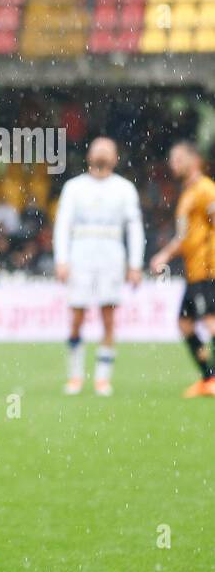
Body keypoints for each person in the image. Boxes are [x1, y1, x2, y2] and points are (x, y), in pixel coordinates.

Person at [52, 137, 144, 397]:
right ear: (89, 155)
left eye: (108, 149)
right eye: (97, 149)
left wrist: (135, 264)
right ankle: (75, 375)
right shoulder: (74, 187)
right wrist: (62, 259)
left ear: (116, 157)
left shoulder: (125, 189)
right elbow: (63, 225)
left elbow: (134, 228)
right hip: (80, 253)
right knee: (77, 317)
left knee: (108, 317)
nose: (102, 153)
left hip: (112, 255)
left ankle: (103, 379)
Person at [149, 141, 215, 397]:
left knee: (210, 320)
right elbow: (185, 237)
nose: (173, 164)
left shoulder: (206, 189)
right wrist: (164, 255)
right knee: (185, 323)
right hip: (194, 270)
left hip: (209, 268)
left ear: (194, 160)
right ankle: (208, 378)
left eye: (178, 159)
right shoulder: (187, 193)